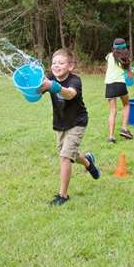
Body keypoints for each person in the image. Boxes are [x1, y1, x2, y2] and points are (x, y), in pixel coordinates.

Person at [39, 48, 101, 206]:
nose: (56, 65)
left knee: (65, 157)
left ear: (70, 66)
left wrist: (53, 86)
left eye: (61, 63)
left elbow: (70, 94)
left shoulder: (75, 80)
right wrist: (33, 86)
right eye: (54, 63)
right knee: (69, 153)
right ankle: (88, 162)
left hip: (77, 122)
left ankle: (63, 196)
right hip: (60, 123)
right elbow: (38, 91)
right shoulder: (50, 77)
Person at [104, 38, 133, 143]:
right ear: (125, 47)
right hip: (120, 84)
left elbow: (107, 69)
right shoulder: (125, 58)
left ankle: (111, 136)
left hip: (109, 85)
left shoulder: (109, 56)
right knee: (126, 104)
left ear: (114, 47)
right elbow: (130, 77)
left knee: (112, 111)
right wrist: (130, 69)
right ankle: (124, 128)